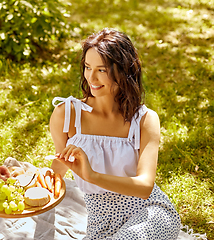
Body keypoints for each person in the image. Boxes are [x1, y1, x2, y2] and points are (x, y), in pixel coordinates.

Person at [49, 28, 181, 239]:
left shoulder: (145, 120)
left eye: (101, 70)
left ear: (123, 71)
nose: (91, 77)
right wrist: (34, 187)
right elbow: (59, 165)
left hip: (149, 212)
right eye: (87, 67)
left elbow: (145, 187)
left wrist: (91, 175)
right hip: (100, 220)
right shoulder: (66, 115)